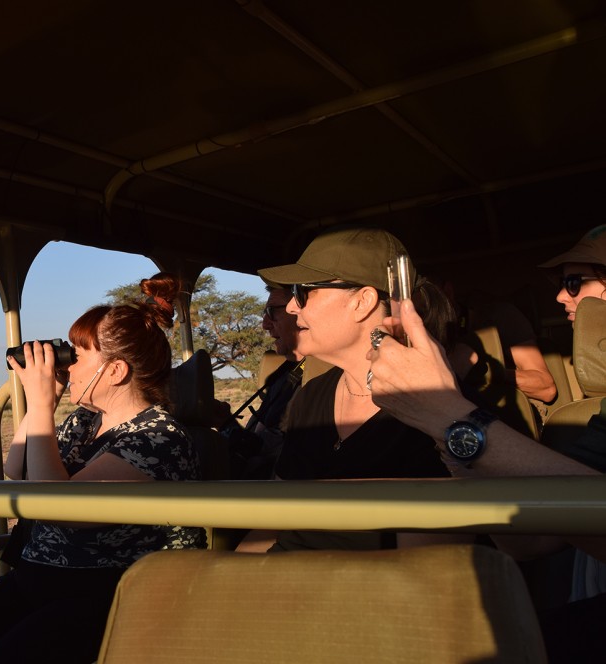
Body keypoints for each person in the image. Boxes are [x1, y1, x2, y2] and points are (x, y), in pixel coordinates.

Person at [0, 273, 206, 664]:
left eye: (77, 354)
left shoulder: (158, 437)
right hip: (34, 582)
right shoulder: (86, 422)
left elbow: (58, 507)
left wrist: (36, 406)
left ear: (116, 371)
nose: (65, 364)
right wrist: (45, 407)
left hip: (108, 596)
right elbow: (17, 468)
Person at [367, 225, 606, 663]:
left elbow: (546, 388)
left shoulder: (498, 316)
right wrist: (446, 433)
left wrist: (454, 412)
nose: (561, 298)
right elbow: (526, 543)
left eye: (575, 283)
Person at [237, 227, 458, 553]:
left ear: (363, 302)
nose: (293, 308)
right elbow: (275, 519)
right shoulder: (311, 397)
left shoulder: (430, 410)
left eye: (303, 292)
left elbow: (423, 572)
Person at [212, 286, 304, 479]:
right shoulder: (283, 374)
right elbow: (259, 446)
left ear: (300, 311)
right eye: (264, 313)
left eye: (272, 312)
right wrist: (226, 423)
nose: (265, 324)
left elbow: (277, 454)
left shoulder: (316, 380)